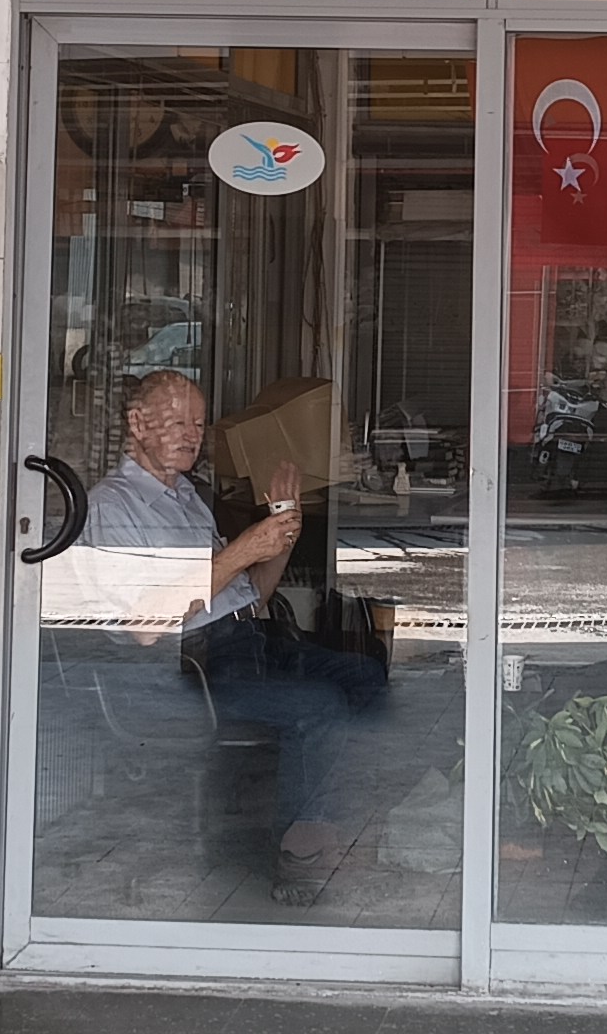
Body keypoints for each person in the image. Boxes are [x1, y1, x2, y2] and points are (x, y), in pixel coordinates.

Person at [80, 370, 385, 906]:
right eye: (176, 422)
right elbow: (145, 627)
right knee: (319, 706)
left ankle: (326, 827)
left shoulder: (186, 497)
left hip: (249, 640)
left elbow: (253, 596)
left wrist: (280, 535)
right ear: (137, 424)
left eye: (198, 424)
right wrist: (244, 549)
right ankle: (300, 858)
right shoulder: (113, 505)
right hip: (189, 667)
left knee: (365, 674)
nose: (191, 435)